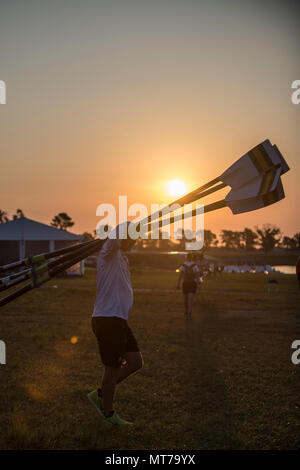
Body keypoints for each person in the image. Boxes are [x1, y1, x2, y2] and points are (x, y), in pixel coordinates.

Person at [88, 222, 143, 426]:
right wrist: (130, 225)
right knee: (112, 368)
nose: (135, 242)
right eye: (132, 238)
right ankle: (108, 415)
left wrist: (135, 230)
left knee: (136, 362)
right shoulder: (108, 253)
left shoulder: (123, 258)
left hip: (118, 319)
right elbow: (117, 235)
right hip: (107, 319)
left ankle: (102, 393)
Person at [177, 252, 199, 317]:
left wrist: (178, 284)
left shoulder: (183, 265)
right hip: (192, 283)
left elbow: (180, 275)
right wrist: (198, 281)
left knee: (185, 299)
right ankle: (190, 311)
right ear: (192, 257)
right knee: (191, 298)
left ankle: (186, 311)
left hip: (185, 283)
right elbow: (197, 274)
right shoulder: (195, 265)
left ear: (186, 257)